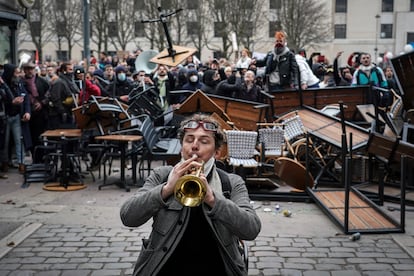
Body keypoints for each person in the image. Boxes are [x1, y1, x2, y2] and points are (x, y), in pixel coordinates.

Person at [120, 113, 261, 276]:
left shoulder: (232, 182)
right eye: (189, 139)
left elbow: (251, 229)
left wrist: (213, 199)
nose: (194, 146)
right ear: (182, 147)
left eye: (204, 141)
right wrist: (166, 189)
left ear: (217, 153)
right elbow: (128, 217)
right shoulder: (161, 176)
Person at [0, 64, 31, 173]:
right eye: (16, 73)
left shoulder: (18, 83)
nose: (18, 75)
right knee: (5, 141)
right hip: (5, 117)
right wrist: (12, 101)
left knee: (19, 140)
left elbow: (25, 97)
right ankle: (4, 162)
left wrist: (27, 111)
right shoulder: (2, 84)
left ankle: (21, 163)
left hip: (17, 115)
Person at [21, 62, 50, 163]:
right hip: (27, 113)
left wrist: (42, 103)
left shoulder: (41, 81)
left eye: (31, 69)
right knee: (30, 138)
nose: (29, 71)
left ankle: (41, 158)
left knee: (40, 137)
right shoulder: (21, 82)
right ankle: (35, 158)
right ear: (24, 70)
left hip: (40, 114)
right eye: (27, 69)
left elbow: (49, 94)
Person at [47, 62, 79, 129]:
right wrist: (63, 111)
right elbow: (55, 98)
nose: (72, 72)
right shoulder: (59, 82)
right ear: (64, 71)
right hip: (60, 114)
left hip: (69, 111)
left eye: (72, 69)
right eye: (70, 70)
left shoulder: (70, 81)